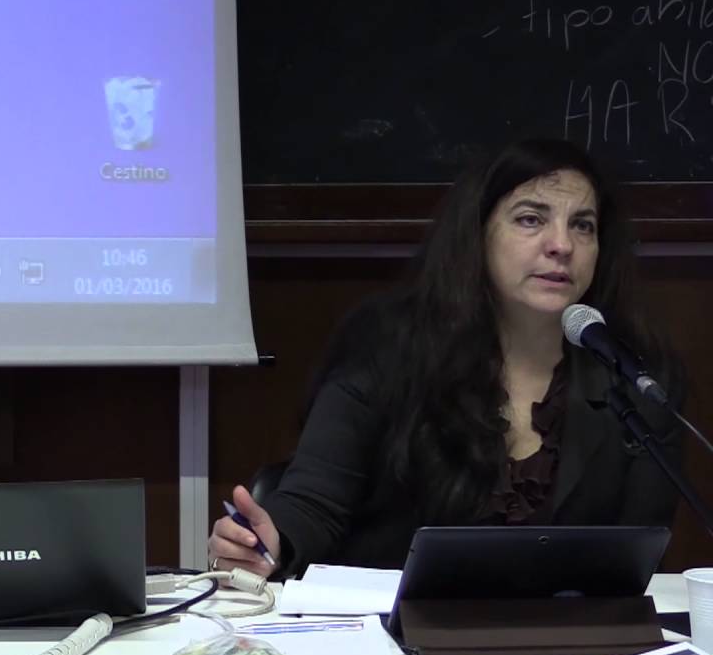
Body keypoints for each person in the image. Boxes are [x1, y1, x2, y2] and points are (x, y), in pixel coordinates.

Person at [209, 138, 684, 578]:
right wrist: (269, 542)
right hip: (394, 630)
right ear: (478, 234)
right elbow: (315, 504)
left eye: (583, 225)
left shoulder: (638, 375)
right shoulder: (388, 345)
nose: (562, 245)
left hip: (567, 631)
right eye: (530, 219)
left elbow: (636, 551)